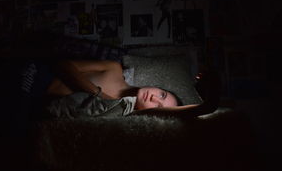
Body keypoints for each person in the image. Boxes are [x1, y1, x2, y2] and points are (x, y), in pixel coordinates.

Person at [43, 59, 219, 118]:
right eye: (162, 94)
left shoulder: (126, 113)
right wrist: (97, 93)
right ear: (157, 87)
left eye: (158, 107)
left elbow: (204, 109)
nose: (154, 98)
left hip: (37, 108)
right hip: (38, 77)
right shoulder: (114, 69)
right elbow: (63, 64)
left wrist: (209, 102)